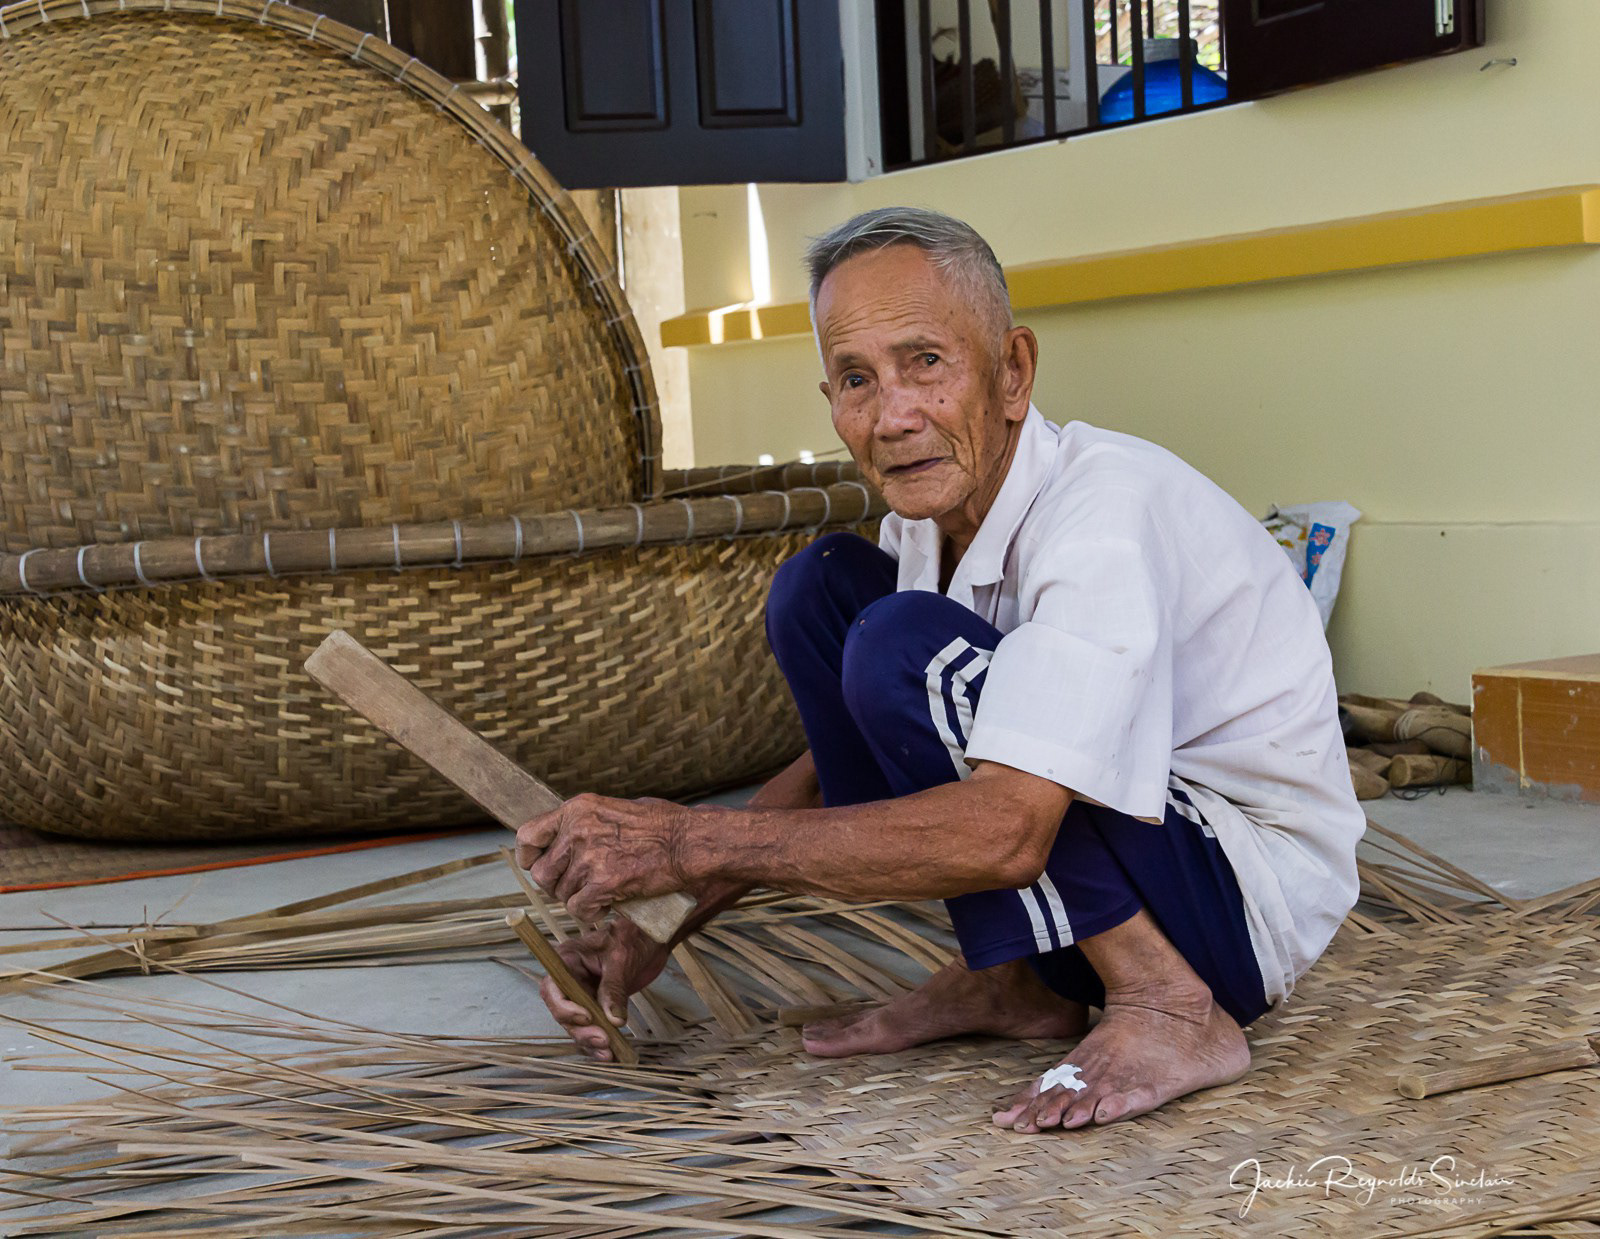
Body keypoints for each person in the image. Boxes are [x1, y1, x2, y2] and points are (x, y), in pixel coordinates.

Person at [515, 207, 1365, 1133]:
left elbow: (1007, 831)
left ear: (1012, 373)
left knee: (896, 646)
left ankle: (1163, 1005)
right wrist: (661, 920)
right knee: (823, 591)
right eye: (855, 378)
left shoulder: (1101, 516)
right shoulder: (927, 524)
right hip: (1144, 859)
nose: (892, 417)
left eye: (926, 362)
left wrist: (681, 841)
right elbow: (831, 768)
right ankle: (1013, 982)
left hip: (1232, 913)